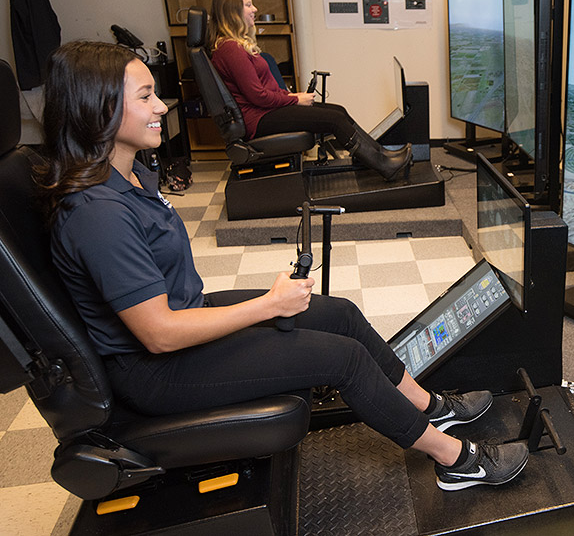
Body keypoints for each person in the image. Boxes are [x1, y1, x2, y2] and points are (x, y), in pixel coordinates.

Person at [33, 41, 528, 491]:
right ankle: (458, 461)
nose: (163, 106)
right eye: (145, 97)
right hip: (157, 369)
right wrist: (267, 305)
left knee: (341, 315)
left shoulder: (132, 177)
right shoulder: (98, 214)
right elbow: (160, 333)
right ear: (99, 110)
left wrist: (268, 307)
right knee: (343, 359)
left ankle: (429, 408)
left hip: (184, 321)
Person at [208, 0, 411, 182]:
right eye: (248, 5)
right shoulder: (231, 49)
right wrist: (294, 99)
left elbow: (260, 92)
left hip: (264, 113)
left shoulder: (231, 46)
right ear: (232, 12)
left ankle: (381, 155)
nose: (255, 10)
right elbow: (257, 96)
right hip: (259, 120)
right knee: (334, 120)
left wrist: (291, 97)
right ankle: (384, 165)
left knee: (339, 111)